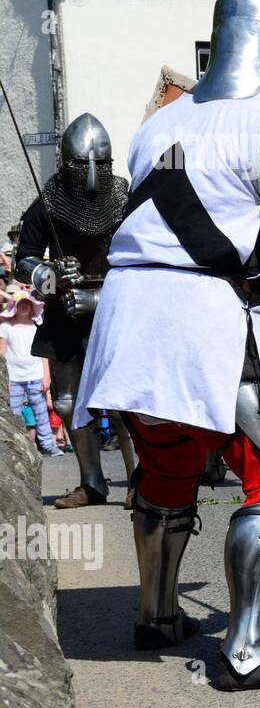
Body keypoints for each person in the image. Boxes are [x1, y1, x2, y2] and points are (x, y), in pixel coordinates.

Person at [74, 0, 260, 691]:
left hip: (128, 321)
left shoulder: (156, 122)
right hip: (207, 320)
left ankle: (157, 612)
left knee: (167, 471)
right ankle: (250, 650)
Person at [15, 114, 135, 507]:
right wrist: (49, 275)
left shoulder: (126, 199)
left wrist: (100, 297)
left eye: (100, 165)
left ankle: (141, 482)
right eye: (84, 165)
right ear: (69, 164)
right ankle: (92, 482)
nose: (92, 175)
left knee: (123, 403)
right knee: (66, 401)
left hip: (115, 308)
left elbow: (143, 259)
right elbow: (25, 259)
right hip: (64, 311)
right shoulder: (49, 202)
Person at [1, 290, 62, 457]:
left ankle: (47, 443)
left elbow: (43, 355)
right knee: (14, 413)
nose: (23, 306)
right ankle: (16, 445)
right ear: (13, 306)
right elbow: (2, 355)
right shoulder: (6, 327)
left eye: (27, 303)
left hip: (35, 375)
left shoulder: (36, 327)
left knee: (41, 412)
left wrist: (47, 376)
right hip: (13, 378)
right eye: (20, 303)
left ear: (32, 306)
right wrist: (3, 379)